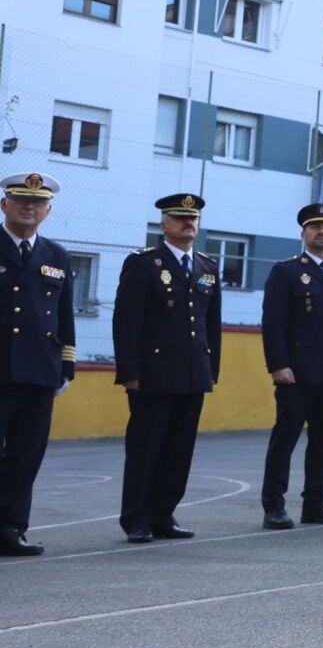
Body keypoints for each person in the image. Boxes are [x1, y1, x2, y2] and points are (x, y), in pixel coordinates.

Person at [112, 192, 220, 545]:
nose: (188, 223)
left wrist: (211, 369)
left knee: (179, 449)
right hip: (153, 374)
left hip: (193, 372)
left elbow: (211, 325)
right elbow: (126, 321)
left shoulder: (206, 266)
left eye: (193, 219)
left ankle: (163, 513)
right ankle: (137, 518)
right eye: (180, 218)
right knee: (146, 448)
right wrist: (129, 371)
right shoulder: (144, 263)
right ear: (164, 223)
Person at [260, 202, 323, 529]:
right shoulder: (286, 271)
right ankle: (274, 505)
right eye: (315, 227)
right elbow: (273, 323)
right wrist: (278, 364)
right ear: (303, 233)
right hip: (296, 374)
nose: (322, 232)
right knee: (285, 440)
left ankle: (314, 503)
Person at [0, 172, 76, 558]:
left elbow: (64, 315)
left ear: (47, 210)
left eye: (37, 203)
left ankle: (12, 528)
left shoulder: (56, 255)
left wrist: (66, 365)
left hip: (39, 371)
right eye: (20, 200)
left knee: (26, 454)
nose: (29, 207)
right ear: (4, 205)